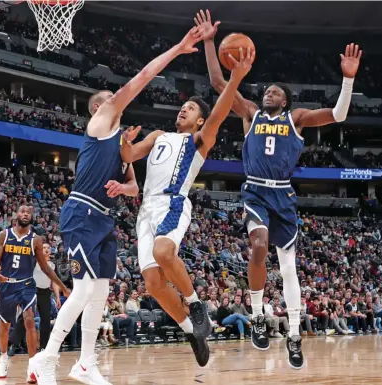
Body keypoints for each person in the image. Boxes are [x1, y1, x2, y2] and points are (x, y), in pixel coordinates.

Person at [30, 26, 204, 385]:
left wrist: (122, 186)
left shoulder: (121, 144)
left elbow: (133, 187)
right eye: (112, 99)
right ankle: (46, 358)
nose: (119, 103)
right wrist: (177, 49)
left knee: (101, 292)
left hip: (104, 220)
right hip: (79, 213)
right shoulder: (100, 123)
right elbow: (141, 78)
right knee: (81, 290)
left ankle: (86, 363)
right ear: (100, 107)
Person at [196, 8, 362, 369]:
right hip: (255, 190)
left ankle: (295, 334)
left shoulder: (297, 118)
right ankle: (257, 315)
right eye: (266, 90)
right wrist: (210, 41)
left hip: (283, 194)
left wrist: (347, 80)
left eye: (274, 91)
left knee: (288, 269)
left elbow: (339, 115)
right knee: (257, 247)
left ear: (284, 99)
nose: (268, 93)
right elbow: (216, 82)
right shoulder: (250, 113)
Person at [121, 39, 254, 367]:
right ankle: (192, 330)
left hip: (173, 203)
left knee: (164, 253)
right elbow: (129, 156)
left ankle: (196, 305)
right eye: (185, 107)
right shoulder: (155, 136)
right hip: (146, 210)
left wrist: (234, 78)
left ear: (198, 122)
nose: (185, 109)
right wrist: (124, 143)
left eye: (192, 109)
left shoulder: (198, 140)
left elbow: (220, 113)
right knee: (153, 284)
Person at [0, 205, 69, 383]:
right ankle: (3, 360)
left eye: (29, 212)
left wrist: (63, 287)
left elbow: (45, 267)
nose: (25, 214)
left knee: (29, 320)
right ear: (16, 215)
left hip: (26, 285)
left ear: (31, 217)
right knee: (4, 326)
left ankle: (32, 366)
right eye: (22, 211)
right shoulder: (4, 235)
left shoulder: (36, 239)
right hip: (7, 286)